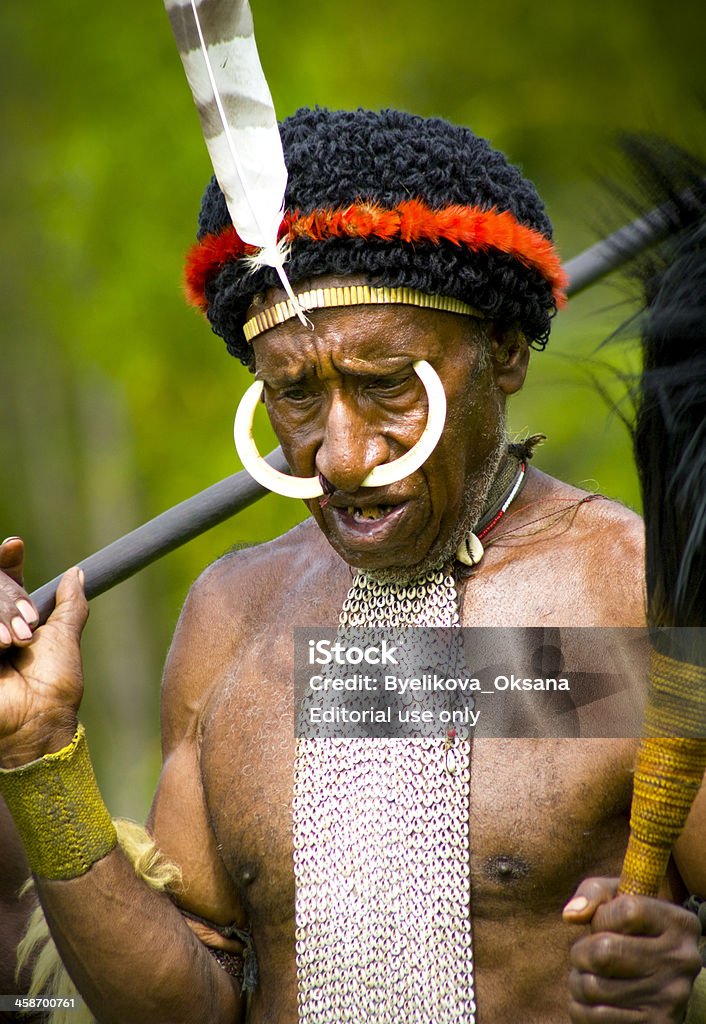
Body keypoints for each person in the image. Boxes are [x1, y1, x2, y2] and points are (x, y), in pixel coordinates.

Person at [0, 108, 703, 1024]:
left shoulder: (637, 595)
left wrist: (681, 965)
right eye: (294, 395)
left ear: (502, 352)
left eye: (387, 384)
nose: (339, 456)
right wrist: (37, 749)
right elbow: (191, 1007)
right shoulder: (233, 616)